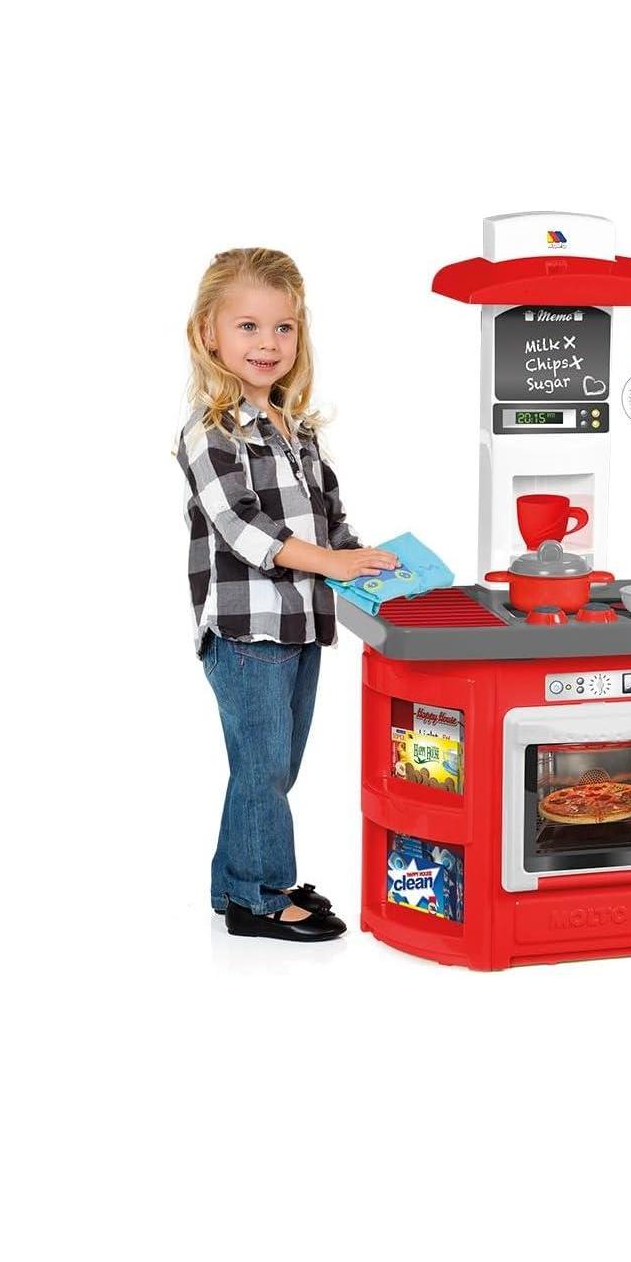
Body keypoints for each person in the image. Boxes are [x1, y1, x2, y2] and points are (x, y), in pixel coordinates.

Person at [177, 248, 399, 941]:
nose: (268, 343)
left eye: (283, 328)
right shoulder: (210, 434)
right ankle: (261, 896)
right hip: (248, 632)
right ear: (209, 333)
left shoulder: (295, 430)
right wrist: (332, 560)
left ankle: (236, 881)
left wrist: (371, 565)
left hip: (303, 625)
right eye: (247, 326)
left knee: (272, 766)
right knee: (264, 767)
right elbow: (246, 529)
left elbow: (330, 521)